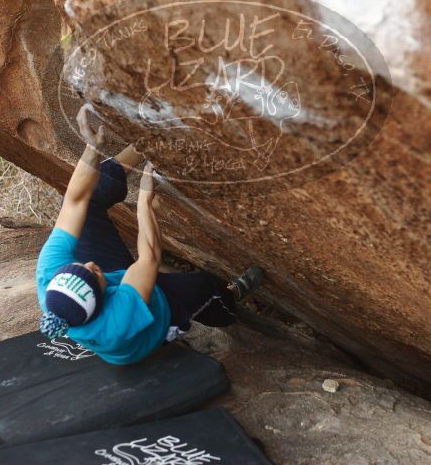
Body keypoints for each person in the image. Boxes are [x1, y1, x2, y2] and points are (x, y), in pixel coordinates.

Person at [36, 106, 264, 364]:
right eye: (94, 274)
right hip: (155, 317)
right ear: (102, 298)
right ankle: (229, 300)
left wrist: (92, 149)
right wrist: (145, 200)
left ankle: (144, 143)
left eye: (80, 266)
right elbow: (149, 258)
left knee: (88, 207)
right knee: (204, 287)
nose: (91, 264)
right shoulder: (117, 318)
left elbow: (74, 201)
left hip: (113, 285)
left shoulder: (50, 273)